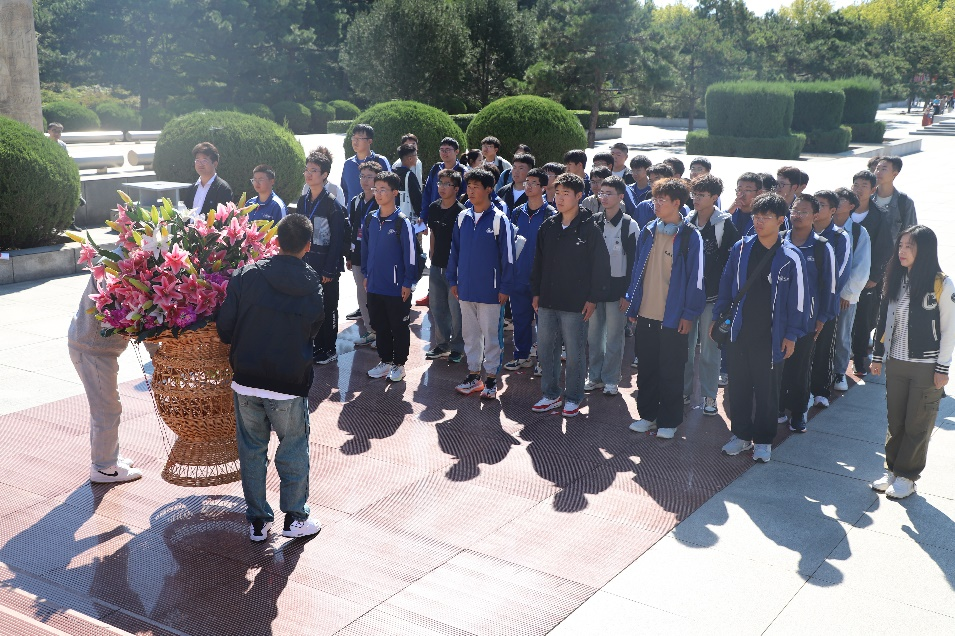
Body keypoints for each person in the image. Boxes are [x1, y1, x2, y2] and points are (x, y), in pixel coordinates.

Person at [217, 213, 324, 541]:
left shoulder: (247, 275)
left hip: (247, 378)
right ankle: (295, 519)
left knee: (251, 451)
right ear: (308, 246)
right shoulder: (312, 284)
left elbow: (225, 328)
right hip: (289, 382)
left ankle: (258, 522)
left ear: (276, 241)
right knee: (293, 448)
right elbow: (315, 330)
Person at [716, 194, 807, 463]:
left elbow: (799, 300)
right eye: (756, 216)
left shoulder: (791, 256)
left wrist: (791, 335)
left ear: (780, 220)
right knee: (739, 388)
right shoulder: (741, 248)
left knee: (767, 391)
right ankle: (741, 435)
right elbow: (726, 284)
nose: (759, 222)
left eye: (766, 217)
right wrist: (719, 315)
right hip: (739, 331)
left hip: (771, 336)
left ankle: (764, 441)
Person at [870, 225, 954, 499]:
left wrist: (943, 368)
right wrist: (878, 355)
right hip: (896, 362)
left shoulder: (942, 284)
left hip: (926, 366)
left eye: (910, 246)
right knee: (895, 420)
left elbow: (949, 330)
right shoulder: (896, 277)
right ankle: (892, 470)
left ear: (925, 250)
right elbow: (883, 318)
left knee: (918, 422)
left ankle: (908, 476)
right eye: (901, 245)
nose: (902, 251)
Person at [625, 178, 705, 439]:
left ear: (677, 203)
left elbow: (696, 279)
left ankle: (669, 421)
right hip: (646, 313)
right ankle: (647, 416)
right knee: (647, 369)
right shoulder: (649, 230)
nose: (656, 204)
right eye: (655, 199)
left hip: (673, 318)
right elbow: (637, 270)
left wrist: (689, 314)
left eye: (662, 200)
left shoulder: (690, 236)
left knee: (671, 371)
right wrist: (633, 305)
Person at [531, 173, 610, 417]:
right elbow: (538, 262)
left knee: (574, 354)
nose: (560, 198)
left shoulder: (589, 228)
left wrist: (593, 298)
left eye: (566, 193)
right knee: (546, 351)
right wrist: (536, 292)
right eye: (557, 193)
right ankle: (550, 394)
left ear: (579, 196)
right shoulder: (548, 225)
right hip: (547, 299)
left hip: (576, 303)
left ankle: (574, 396)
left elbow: (601, 266)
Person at [447, 169, 516, 399]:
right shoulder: (462, 217)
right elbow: (454, 251)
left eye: (476, 186)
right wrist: (453, 279)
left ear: (489, 189)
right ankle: (473, 375)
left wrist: (505, 287)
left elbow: (508, 257)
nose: (471, 191)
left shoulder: (499, 219)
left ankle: (492, 379)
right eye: (469, 186)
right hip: (465, 288)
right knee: (470, 334)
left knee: (491, 336)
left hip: (491, 291)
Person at [69, 277, 145, 484]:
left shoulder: (120, 266)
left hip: (92, 348)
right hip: (93, 350)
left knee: (104, 407)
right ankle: (104, 468)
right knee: (106, 409)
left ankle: (109, 457)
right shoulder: (113, 269)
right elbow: (116, 313)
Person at [777, 194, 836, 433]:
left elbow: (830, 286)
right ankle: (777, 406)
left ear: (815, 215)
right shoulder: (779, 240)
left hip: (806, 320)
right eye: (794, 210)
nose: (797, 215)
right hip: (778, 318)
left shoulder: (822, 247)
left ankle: (799, 411)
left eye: (803, 211)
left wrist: (822, 318)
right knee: (777, 365)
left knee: (800, 367)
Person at [683, 174, 740, 416]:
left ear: (714, 197)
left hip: (713, 299)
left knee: (709, 350)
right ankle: (684, 391)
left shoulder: (724, 225)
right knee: (684, 349)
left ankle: (709, 396)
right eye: (694, 194)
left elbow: (733, 263)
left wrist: (727, 300)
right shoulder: (687, 221)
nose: (696, 199)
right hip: (687, 298)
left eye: (702, 195)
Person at [362, 171, 417, 383]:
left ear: (395, 193)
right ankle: (385, 361)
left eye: (383, 189)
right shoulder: (371, 219)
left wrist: (408, 282)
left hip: (396, 287)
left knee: (399, 327)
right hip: (374, 285)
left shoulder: (402, 222)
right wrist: (366, 274)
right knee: (380, 326)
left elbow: (410, 255)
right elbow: (365, 249)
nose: (378, 193)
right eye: (376, 189)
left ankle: (399, 364)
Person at [586, 176, 637, 396]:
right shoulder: (593, 221)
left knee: (614, 337)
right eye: (602, 193)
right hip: (595, 289)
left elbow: (634, 262)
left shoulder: (629, 225)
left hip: (618, 288)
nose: (604, 197)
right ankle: (594, 376)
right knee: (594, 337)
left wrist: (628, 293)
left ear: (621, 197)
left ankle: (610, 379)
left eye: (609, 193)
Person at [296, 149, 346, 365]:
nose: (308, 174)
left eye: (314, 170)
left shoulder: (332, 204)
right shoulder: (303, 201)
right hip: (307, 263)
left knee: (328, 307)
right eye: (307, 169)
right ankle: (316, 345)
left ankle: (329, 348)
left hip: (326, 266)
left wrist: (330, 269)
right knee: (311, 306)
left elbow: (337, 240)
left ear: (324, 175)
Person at [504, 168, 556, 373]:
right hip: (518, 276)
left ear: (543, 188)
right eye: (527, 182)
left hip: (541, 279)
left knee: (544, 322)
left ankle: (543, 360)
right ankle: (522, 356)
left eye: (534, 182)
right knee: (520, 319)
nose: (529, 186)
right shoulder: (517, 212)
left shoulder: (551, 214)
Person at [809, 190, 852, 408]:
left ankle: (820, 391)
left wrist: (823, 298)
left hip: (826, 304)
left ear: (833, 210)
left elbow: (840, 274)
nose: (817, 208)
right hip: (802, 304)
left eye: (822, 205)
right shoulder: (802, 232)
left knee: (824, 348)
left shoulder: (839, 237)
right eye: (814, 204)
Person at [851, 169, 893, 376]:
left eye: (864, 186)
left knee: (863, 319)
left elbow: (885, 249)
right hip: (843, 276)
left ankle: (859, 358)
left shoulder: (879, 215)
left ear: (873, 190)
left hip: (866, 279)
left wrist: (875, 276)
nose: (858, 190)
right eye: (856, 185)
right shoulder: (843, 210)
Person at [831, 187, 871, 392]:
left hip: (846, 296)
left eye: (841, 199)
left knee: (842, 334)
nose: (836, 202)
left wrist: (847, 293)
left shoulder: (858, 231)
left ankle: (839, 371)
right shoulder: (821, 225)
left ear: (852, 206)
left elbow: (861, 267)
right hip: (823, 294)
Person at [425, 169, 466, 363]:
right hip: (436, 265)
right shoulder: (433, 207)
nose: (442, 187)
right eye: (440, 183)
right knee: (437, 307)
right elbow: (433, 232)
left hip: (454, 268)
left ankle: (458, 347)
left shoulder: (461, 212)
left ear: (456, 189)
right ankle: (442, 345)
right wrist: (432, 254)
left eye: (447, 184)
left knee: (456, 310)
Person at [344, 161, 382, 347]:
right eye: (362, 176)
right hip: (358, 253)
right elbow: (352, 228)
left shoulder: (381, 201)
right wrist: (349, 255)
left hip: (377, 255)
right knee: (362, 293)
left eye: (369, 176)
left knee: (377, 294)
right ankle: (370, 330)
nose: (365, 180)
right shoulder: (355, 201)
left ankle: (382, 332)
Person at [341, 124, 391, 204]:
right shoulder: (348, 164)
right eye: (353, 138)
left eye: (359, 138)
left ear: (369, 141)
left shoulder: (381, 161)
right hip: (353, 211)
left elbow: (390, 187)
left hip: (376, 210)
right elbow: (345, 191)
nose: (355, 142)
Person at [873, 156, 918, 245]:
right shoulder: (867, 198)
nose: (878, 172)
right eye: (877, 168)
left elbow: (911, 234)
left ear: (895, 174)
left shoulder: (905, 202)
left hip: (893, 252)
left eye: (884, 169)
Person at [422, 137, 467, 222]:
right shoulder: (436, 168)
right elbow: (427, 193)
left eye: (447, 150)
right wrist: (423, 216)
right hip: (435, 214)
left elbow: (465, 197)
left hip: (454, 217)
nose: (444, 152)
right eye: (442, 150)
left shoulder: (463, 171)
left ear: (456, 151)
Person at [182, 142, 234, 214]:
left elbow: (225, 217)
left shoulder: (223, 189)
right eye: (197, 160)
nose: (200, 164)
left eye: (204, 160)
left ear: (215, 164)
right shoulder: (191, 189)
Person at [729, 172, 762, 236]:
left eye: (747, 190)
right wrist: (729, 212)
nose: (742, 194)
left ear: (759, 193)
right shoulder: (730, 213)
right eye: (739, 189)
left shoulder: (763, 217)